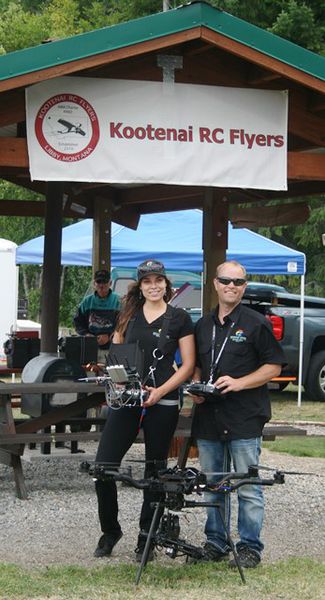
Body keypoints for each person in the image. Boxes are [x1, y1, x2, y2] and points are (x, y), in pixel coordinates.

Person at [93, 259, 195, 561]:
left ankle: (146, 537)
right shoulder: (128, 315)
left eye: (158, 280)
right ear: (140, 286)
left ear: (166, 284)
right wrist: (119, 384)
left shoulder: (179, 318)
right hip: (129, 399)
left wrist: (162, 391)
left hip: (162, 399)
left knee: (154, 470)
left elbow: (188, 364)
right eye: (147, 281)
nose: (153, 286)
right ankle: (110, 531)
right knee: (103, 468)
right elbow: (116, 353)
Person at [190, 260, 286, 569]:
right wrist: (196, 387)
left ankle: (249, 548)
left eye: (238, 282)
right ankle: (216, 542)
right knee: (213, 484)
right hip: (209, 418)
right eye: (226, 280)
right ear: (215, 284)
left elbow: (274, 366)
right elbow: (199, 367)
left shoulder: (257, 322)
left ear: (244, 287)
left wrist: (240, 383)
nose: (232, 286)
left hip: (245, 416)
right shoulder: (202, 325)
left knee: (247, 486)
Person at [73, 269, 121, 361]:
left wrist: (110, 336)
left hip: (112, 348)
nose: (101, 285)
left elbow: (124, 325)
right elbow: (77, 322)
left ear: (110, 283)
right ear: (94, 284)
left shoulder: (118, 301)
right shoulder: (87, 302)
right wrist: (86, 334)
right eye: (99, 282)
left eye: (105, 282)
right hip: (90, 348)